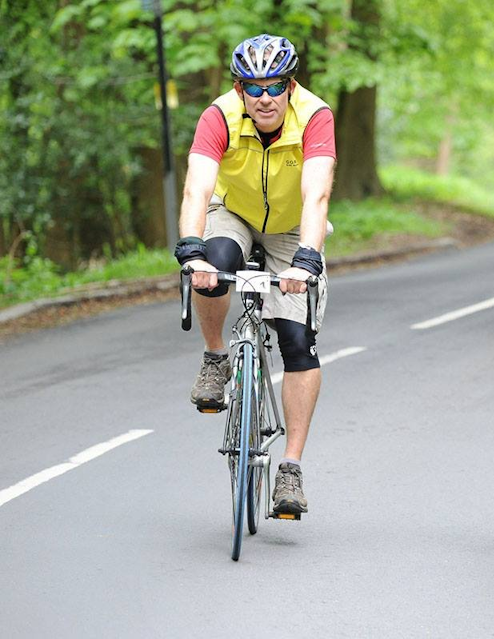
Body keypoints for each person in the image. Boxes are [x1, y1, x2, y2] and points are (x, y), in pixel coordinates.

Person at [174, 34, 336, 517]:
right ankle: (216, 356)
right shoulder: (218, 115)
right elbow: (197, 188)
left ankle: (290, 468)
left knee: (295, 341)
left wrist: (307, 259)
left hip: (291, 226)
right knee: (214, 264)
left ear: (291, 85)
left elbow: (317, 194)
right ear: (238, 87)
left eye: (275, 86)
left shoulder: (314, 116)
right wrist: (190, 249)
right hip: (235, 213)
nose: (265, 97)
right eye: (253, 87)